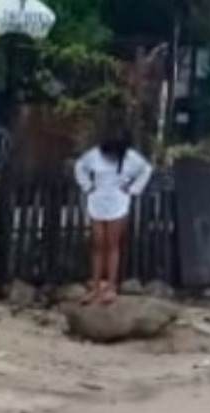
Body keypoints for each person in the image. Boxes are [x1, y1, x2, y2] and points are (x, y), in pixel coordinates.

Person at [73, 120, 153, 305]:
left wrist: (132, 189)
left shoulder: (131, 158)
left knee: (112, 244)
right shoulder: (94, 155)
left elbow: (146, 170)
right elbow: (80, 166)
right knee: (97, 244)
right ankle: (94, 287)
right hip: (97, 198)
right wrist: (87, 186)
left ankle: (110, 286)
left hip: (118, 200)